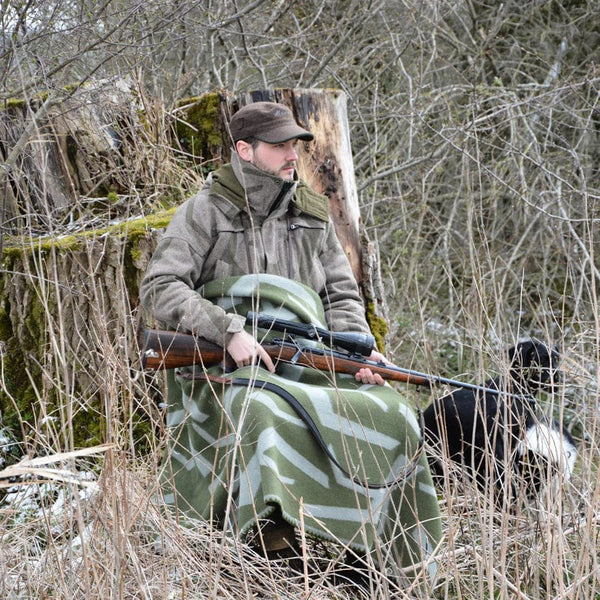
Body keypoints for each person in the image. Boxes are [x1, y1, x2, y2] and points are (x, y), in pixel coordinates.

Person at [140, 101, 442, 588]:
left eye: (295, 144)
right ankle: (268, 540)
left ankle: (382, 551)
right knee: (259, 413)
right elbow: (161, 286)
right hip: (229, 368)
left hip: (310, 360)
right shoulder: (204, 211)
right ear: (245, 149)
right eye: (279, 145)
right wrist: (228, 329)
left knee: (393, 410)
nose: (292, 154)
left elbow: (341, 294)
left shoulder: (312, 213)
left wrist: (353, 353)